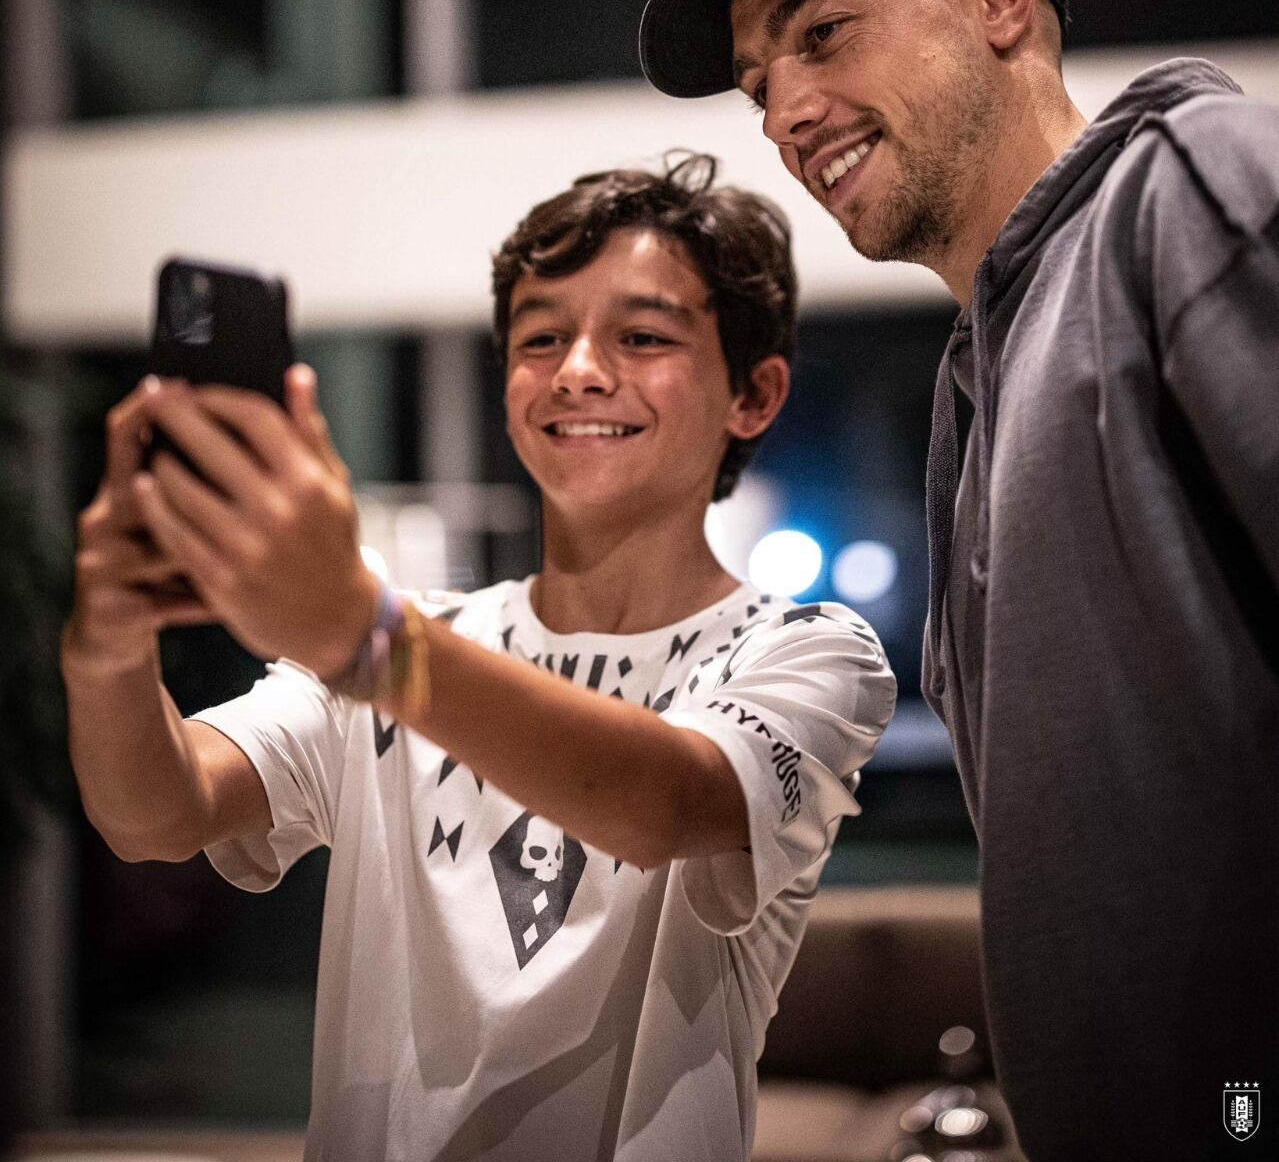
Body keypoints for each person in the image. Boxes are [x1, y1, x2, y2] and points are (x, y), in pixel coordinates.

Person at [639, 0, 1279, 1161]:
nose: (784, 114)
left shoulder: (1188, 183)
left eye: (824, 33)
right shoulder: (978, 376)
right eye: (758, 86)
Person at [62, 153, 896, 1162]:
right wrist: (107, 645)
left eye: (641, 336)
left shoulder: (805, 652)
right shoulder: (406, 641)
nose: (578, 370)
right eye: (540, 337)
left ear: (753, 395)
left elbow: (667, 802)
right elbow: (157, 814)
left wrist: (365, 638)